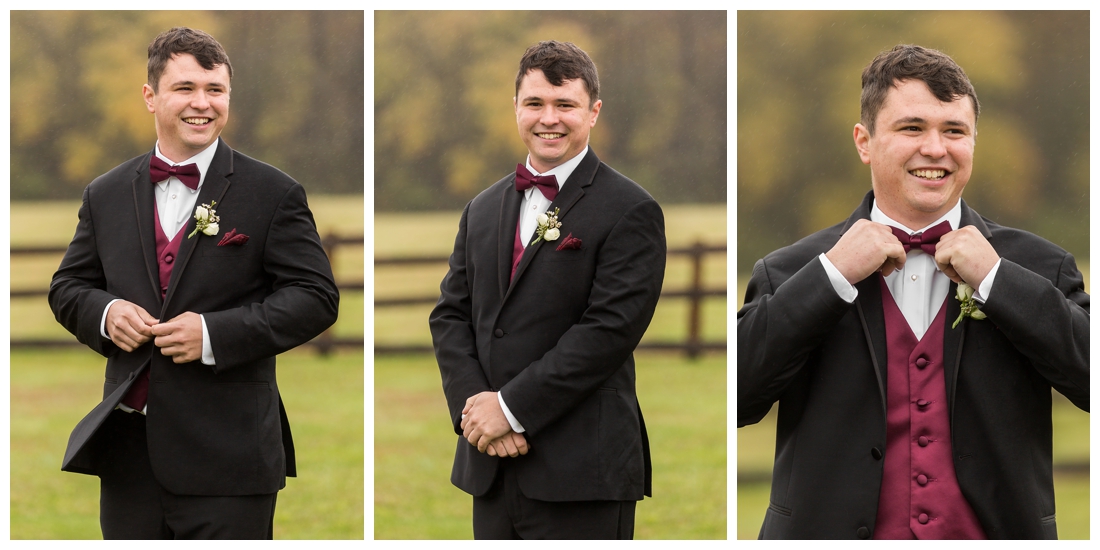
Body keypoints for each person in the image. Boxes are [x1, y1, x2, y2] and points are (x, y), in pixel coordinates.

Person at [737, 44, 1089, 540]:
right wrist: (832, 276)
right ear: (864, 141)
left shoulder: (1039, 266)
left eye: (954, 131)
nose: (936, 149)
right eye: (912, 128)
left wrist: (997, 280)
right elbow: (738, 397)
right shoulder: (791, 270)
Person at [48, 27, 339, 539]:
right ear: (150, 96)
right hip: (128, 457)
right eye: (185, 88)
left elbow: (315, 298)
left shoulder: (273, 193)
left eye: (215, 90)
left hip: (231, 457)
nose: (202, 103)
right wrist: (106, 313)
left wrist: (212, 335)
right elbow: (69, 286)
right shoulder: (106, 193)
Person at [429, 40, 666, 539]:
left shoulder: (631, 210)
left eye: (565, 105)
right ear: (515, 107)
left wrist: (512, 409)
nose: (548, 119)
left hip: (583, 470)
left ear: (594, 112)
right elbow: (451, 314)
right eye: (535, 103)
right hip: (490, 464)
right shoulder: (481, 208)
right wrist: (478, 412)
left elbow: (608, 332)